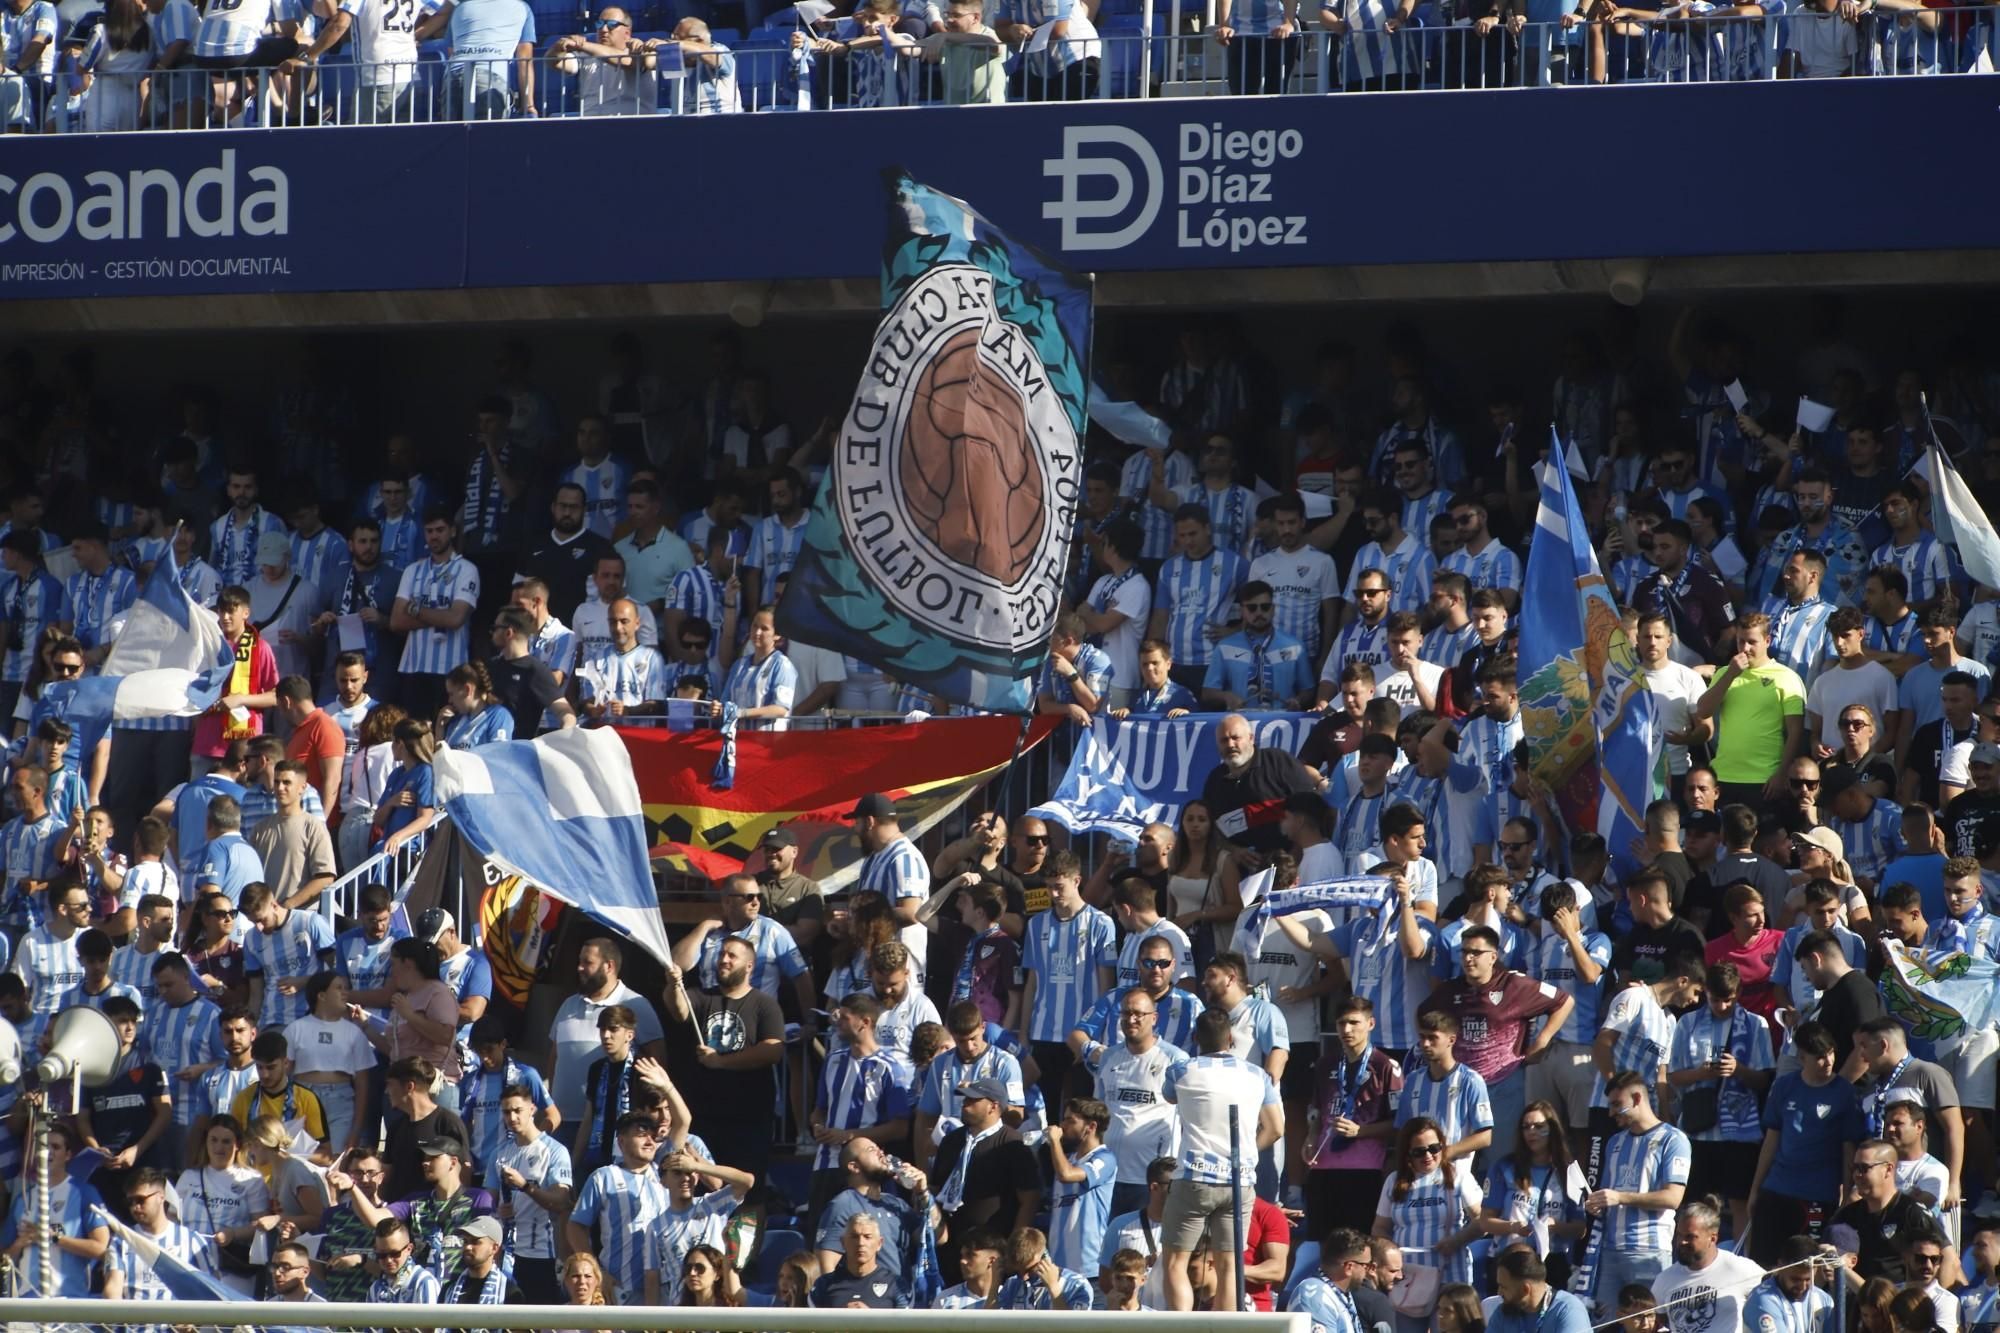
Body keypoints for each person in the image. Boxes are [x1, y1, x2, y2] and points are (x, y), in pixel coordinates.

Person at [1159, 1006, 1284, 1312]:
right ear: (1231, 1038)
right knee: (1229, 1265)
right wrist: (1247, 1154)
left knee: (1175, 1262)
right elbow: (1276, 1128)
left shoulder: (1181, 1070)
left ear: (1195, 1038)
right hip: (1238, 1180)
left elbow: (1169, 1096)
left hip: (1194, 1176)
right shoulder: (1258, 1075)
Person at [1421, 922, 1569, 1166]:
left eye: (1476, 953)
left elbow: (1564, 1001)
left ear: (1493, 956)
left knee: (1500, 1159)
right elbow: (1424, 1016)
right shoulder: (1450, 990)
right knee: (1455, 1161)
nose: (1468, 958)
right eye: (1465, 952)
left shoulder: (1514, 985)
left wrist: (1543, 1039)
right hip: (1461, 1086)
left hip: (1504, 1084)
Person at [660, 941, 785, 1178]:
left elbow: (773, 1050)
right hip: (703, 1115)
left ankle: (742, 1219)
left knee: (749, 1192)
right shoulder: (702, 996)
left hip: (748, 1117)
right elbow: (679, 1010)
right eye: (721, 954)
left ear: (749, 966)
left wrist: (722, 1061)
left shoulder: (765, 1005)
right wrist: (673, 984)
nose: (723, 960)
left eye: (731, 956)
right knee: (700, 1185)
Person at [1587, 1070, 1691, 1309]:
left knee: (1645, 1324)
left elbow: (1673, 1198)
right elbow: (1608, 1194)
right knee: (1606, 1326)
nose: (1611, 1112)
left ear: (1636, 1099)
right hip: (1609, 1250)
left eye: (1616, 1104)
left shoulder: (1673, 1140)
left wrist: (1619, 1197)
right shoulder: (1614, 1142)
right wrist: (1597, 1203)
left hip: (1648, 1251)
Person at [546, 936, 667, 1126]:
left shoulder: (636, 1005)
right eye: (580, 962)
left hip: (606, 1125)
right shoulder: (568, 1005)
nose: (579, 968)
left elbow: (657, 1060)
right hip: (560, 1121)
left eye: (588, 962)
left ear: (608, 966)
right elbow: (555, 1057)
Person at [1696, 612, 1806, 806]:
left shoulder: (1787, 677)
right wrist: (1730, 674)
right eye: (1740, 641)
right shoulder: (1724, 673)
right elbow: (1703, 711)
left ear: (1767, 640)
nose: (1745, 648)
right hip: (1723, 776)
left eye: (1752, 642)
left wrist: (1781, 774)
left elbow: (1795, 732)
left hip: (1764, 780)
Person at [1372, 1115, 1484, 1302]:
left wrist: (1457, 1240)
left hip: (1450, 1275)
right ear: (1408, 1153)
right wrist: (1390, 1251)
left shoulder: (1459, 1176)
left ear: (1442, 1146)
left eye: (1434, 1149)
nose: (1428, 1156)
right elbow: (1379, 1228)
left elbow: (1483, 1220)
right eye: (1419, 1152)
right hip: (1408, 1277)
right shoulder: (1394, 1180)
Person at [101, 1166, 222, 1303]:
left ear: (161, 1197)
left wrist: (193, 1320)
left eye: (141, 1200)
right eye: (130, 1202)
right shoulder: (121, 1241)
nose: (135, 1207)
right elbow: (112, 1289)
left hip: (178, 1323)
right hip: (134, 1323)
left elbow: (213, 1291)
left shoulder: (193, 1242)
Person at [1649, 1196, 1767, 1333]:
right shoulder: (1665, 1279)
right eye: (1679, 1235)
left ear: (1712, 1238)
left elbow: (1775, 1290)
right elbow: (1655, 1321)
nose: (1682, 1242)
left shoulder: (1739, 1268)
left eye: (1689, 1237)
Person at [1831, 1139, 1937, 1288]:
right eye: (1854, 1168)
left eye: (1864, 1168)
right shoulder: (1847, 1216)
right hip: (1856, 1303)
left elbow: (1948, 1260)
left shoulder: (1911, 1212)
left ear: (1888, 1169)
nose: (1856, 1175)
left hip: (1896, 1302)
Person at [1286, 1225, 1372, 1333]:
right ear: (1349, 1267)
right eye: (1366, 1266)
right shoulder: (1316, 1298)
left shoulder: (1340, 1293)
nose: (1369, 1273)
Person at [1488, 1246, 1593, 1333]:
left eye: (1504, 1287)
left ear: (1525, 1290)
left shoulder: (1568, 1310)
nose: (1499, 1293)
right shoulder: (1503, 1313)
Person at [810, 1213, 906, 1308]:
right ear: (843, 1242)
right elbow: (810, 1322)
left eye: (867, 1237)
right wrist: (842, 1318)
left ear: (879, 1243)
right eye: (854, 1237)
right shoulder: (823, 1284)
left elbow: (907, 1322)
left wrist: (870, 1319)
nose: (860, 1243)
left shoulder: (896, 1284)